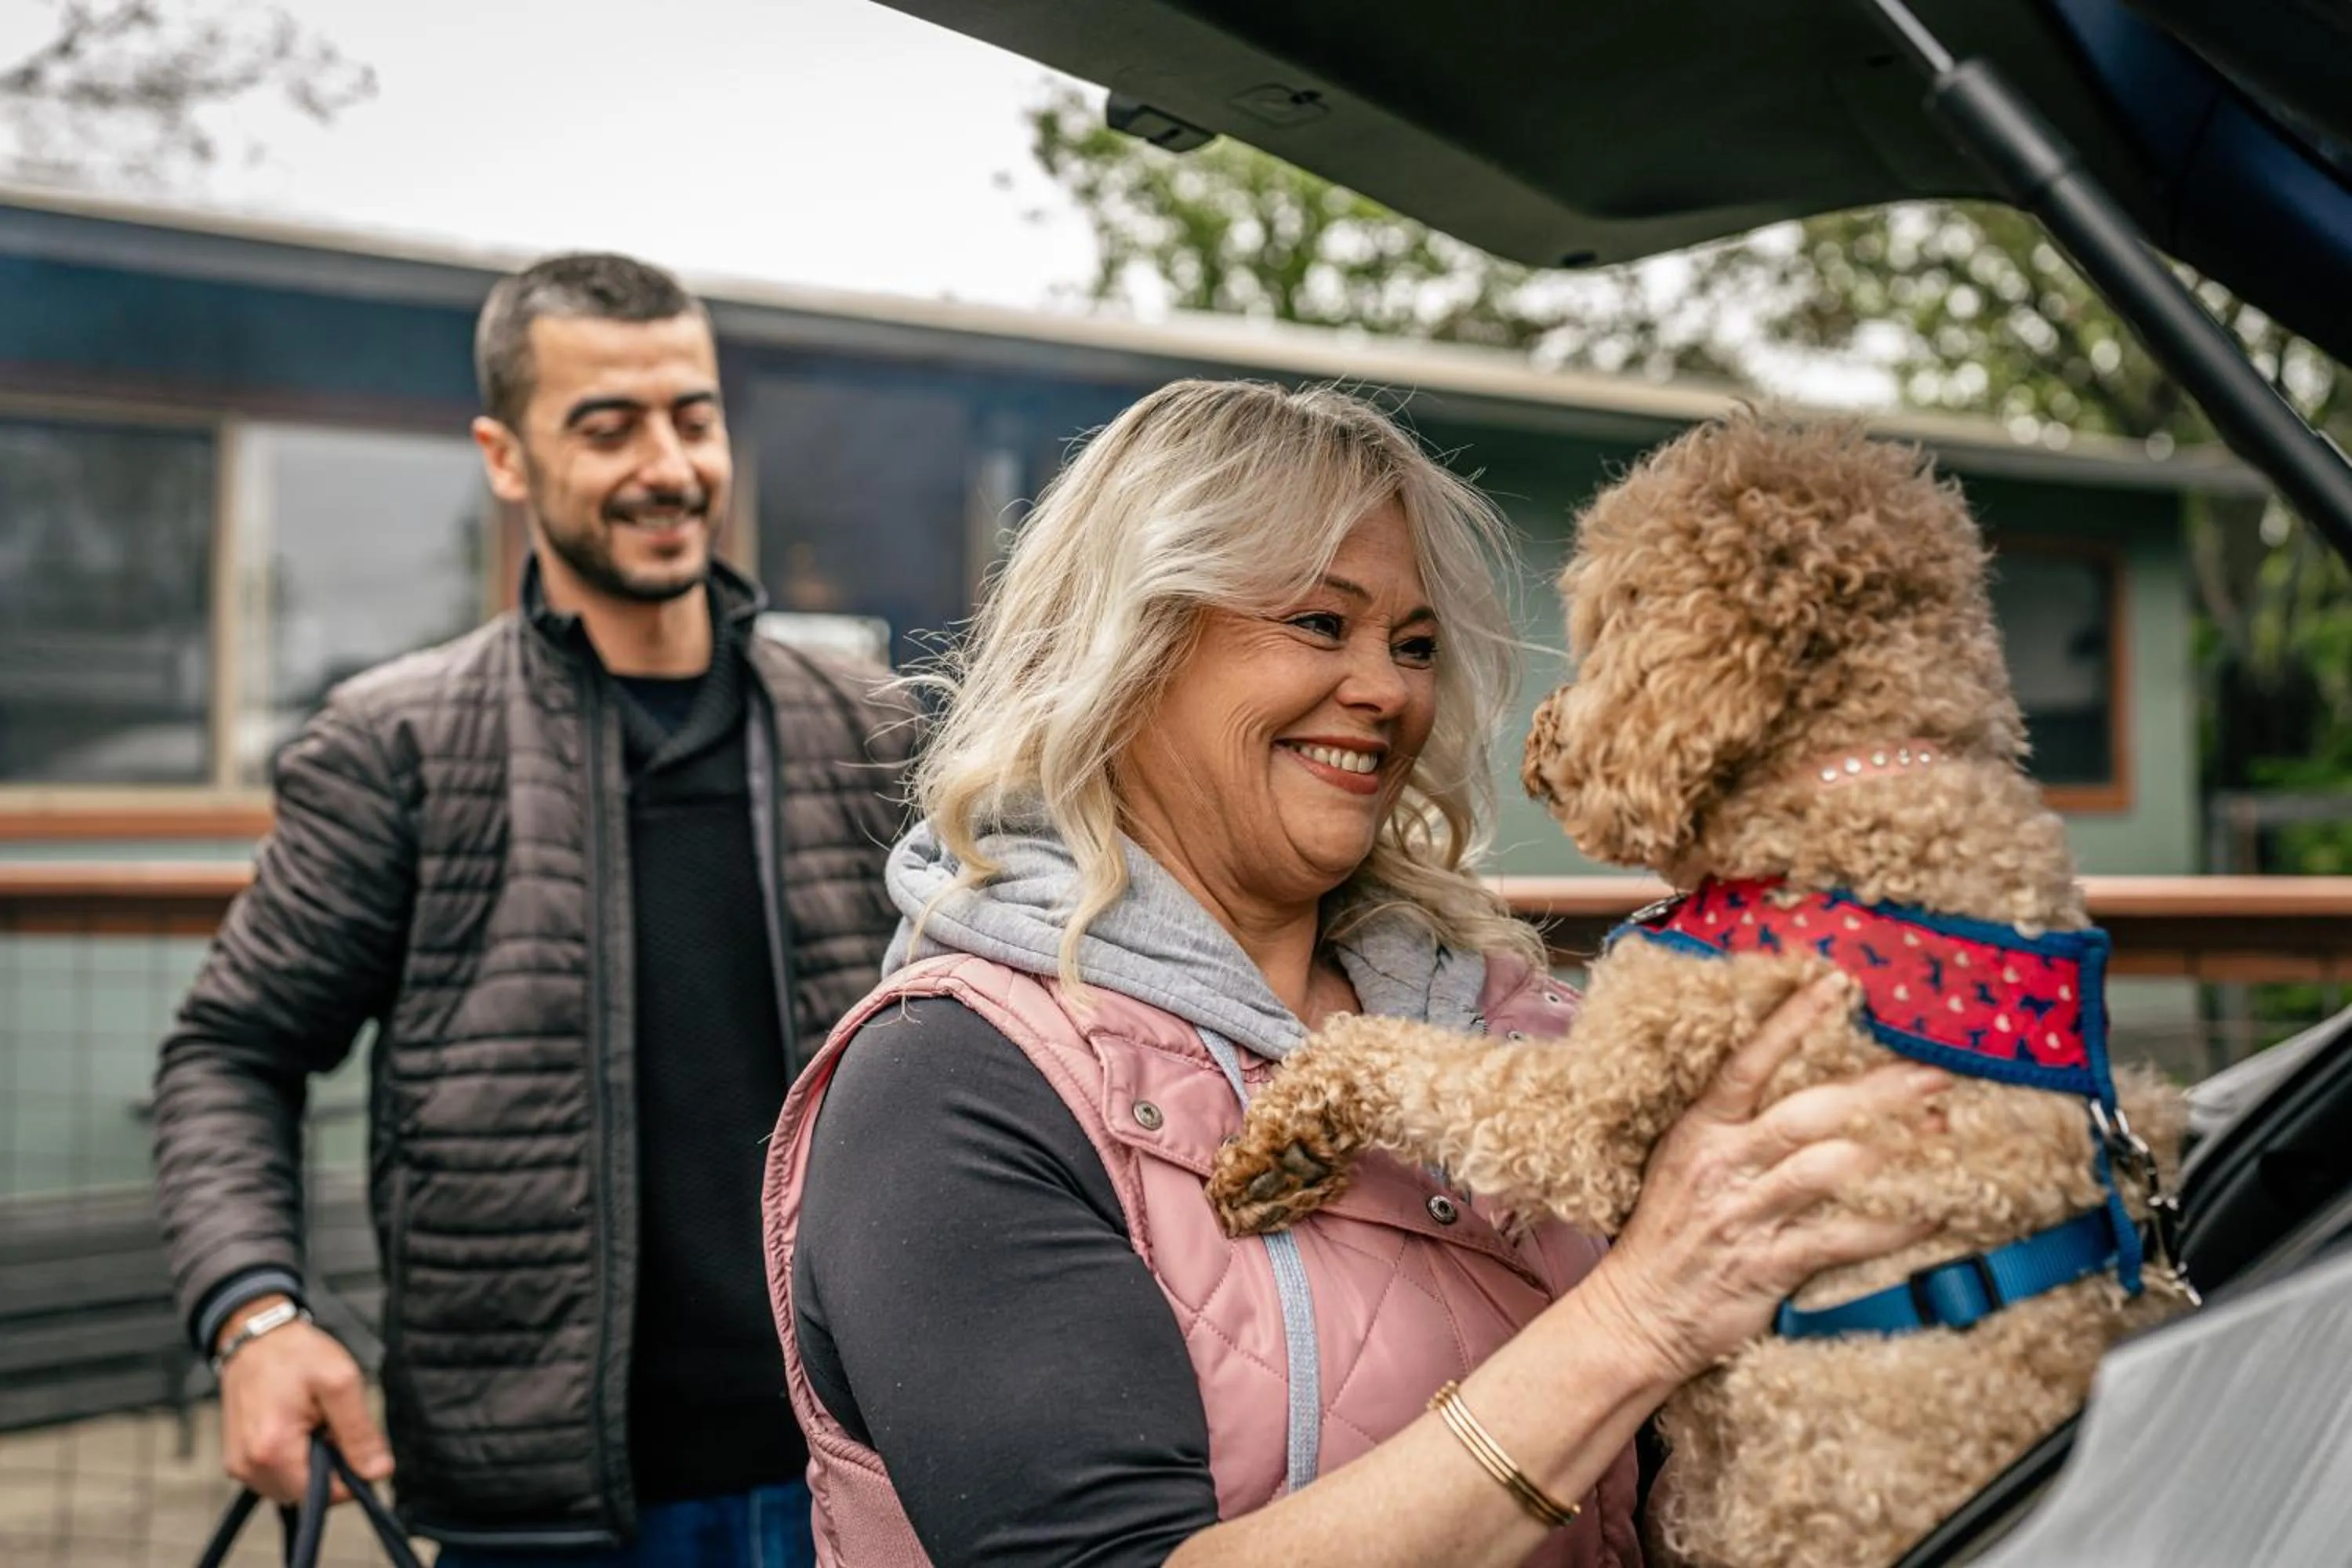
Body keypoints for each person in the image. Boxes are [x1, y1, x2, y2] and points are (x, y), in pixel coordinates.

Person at [764, 379, 1946, 1566]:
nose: (1386, 691)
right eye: (1321, 625)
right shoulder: (950, 1081)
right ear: (1129, 649)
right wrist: (1640, 1315)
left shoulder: (1513, 1024)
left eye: (1415, 644)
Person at [151, 252, 915, 1564]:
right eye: (605, 428)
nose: (667, 467)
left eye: (692, 415)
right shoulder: (399, 744)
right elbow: (230, 1053)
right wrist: (257, 1319)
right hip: (544, 1511)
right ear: (505, 458)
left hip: (864, 1463)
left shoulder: (873, 729)